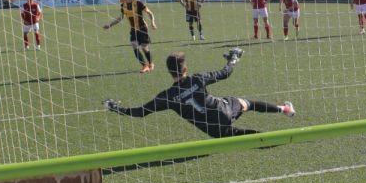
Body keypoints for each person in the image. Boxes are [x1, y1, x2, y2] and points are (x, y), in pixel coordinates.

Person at [105, 48, 295, 138]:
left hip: (211, 130)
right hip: (224, 111)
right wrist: (233, 59)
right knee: (247, 104)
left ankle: (275, 139)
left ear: (170, 72)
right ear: (185, 68)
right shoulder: (197, 79)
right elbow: (225, 73)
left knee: (235, 135)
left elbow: (140, 112)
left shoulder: (167, 96)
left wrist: (115, 107)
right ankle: (285, 109)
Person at [103, 0, 157, 72]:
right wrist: (110, 25)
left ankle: (151, 63)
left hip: (142, 28)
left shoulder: (139, 3)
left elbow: (150, 13)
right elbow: (120, 18)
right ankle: (144, 66)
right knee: (134, 45)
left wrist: (153, 22)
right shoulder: (123, 5)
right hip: (133, 29)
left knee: (144, 48)